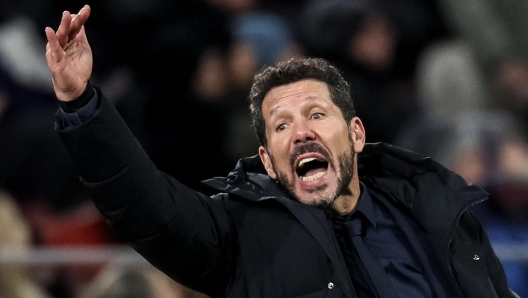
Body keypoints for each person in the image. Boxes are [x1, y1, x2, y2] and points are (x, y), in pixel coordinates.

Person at [44, 5, 518, 298]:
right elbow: (148, 207)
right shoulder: (238, 234)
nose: (300, 133)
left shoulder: (437, 208)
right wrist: (82, 103)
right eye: (281, 125)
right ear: (268, 161)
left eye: (315, 114)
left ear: (355, 134)